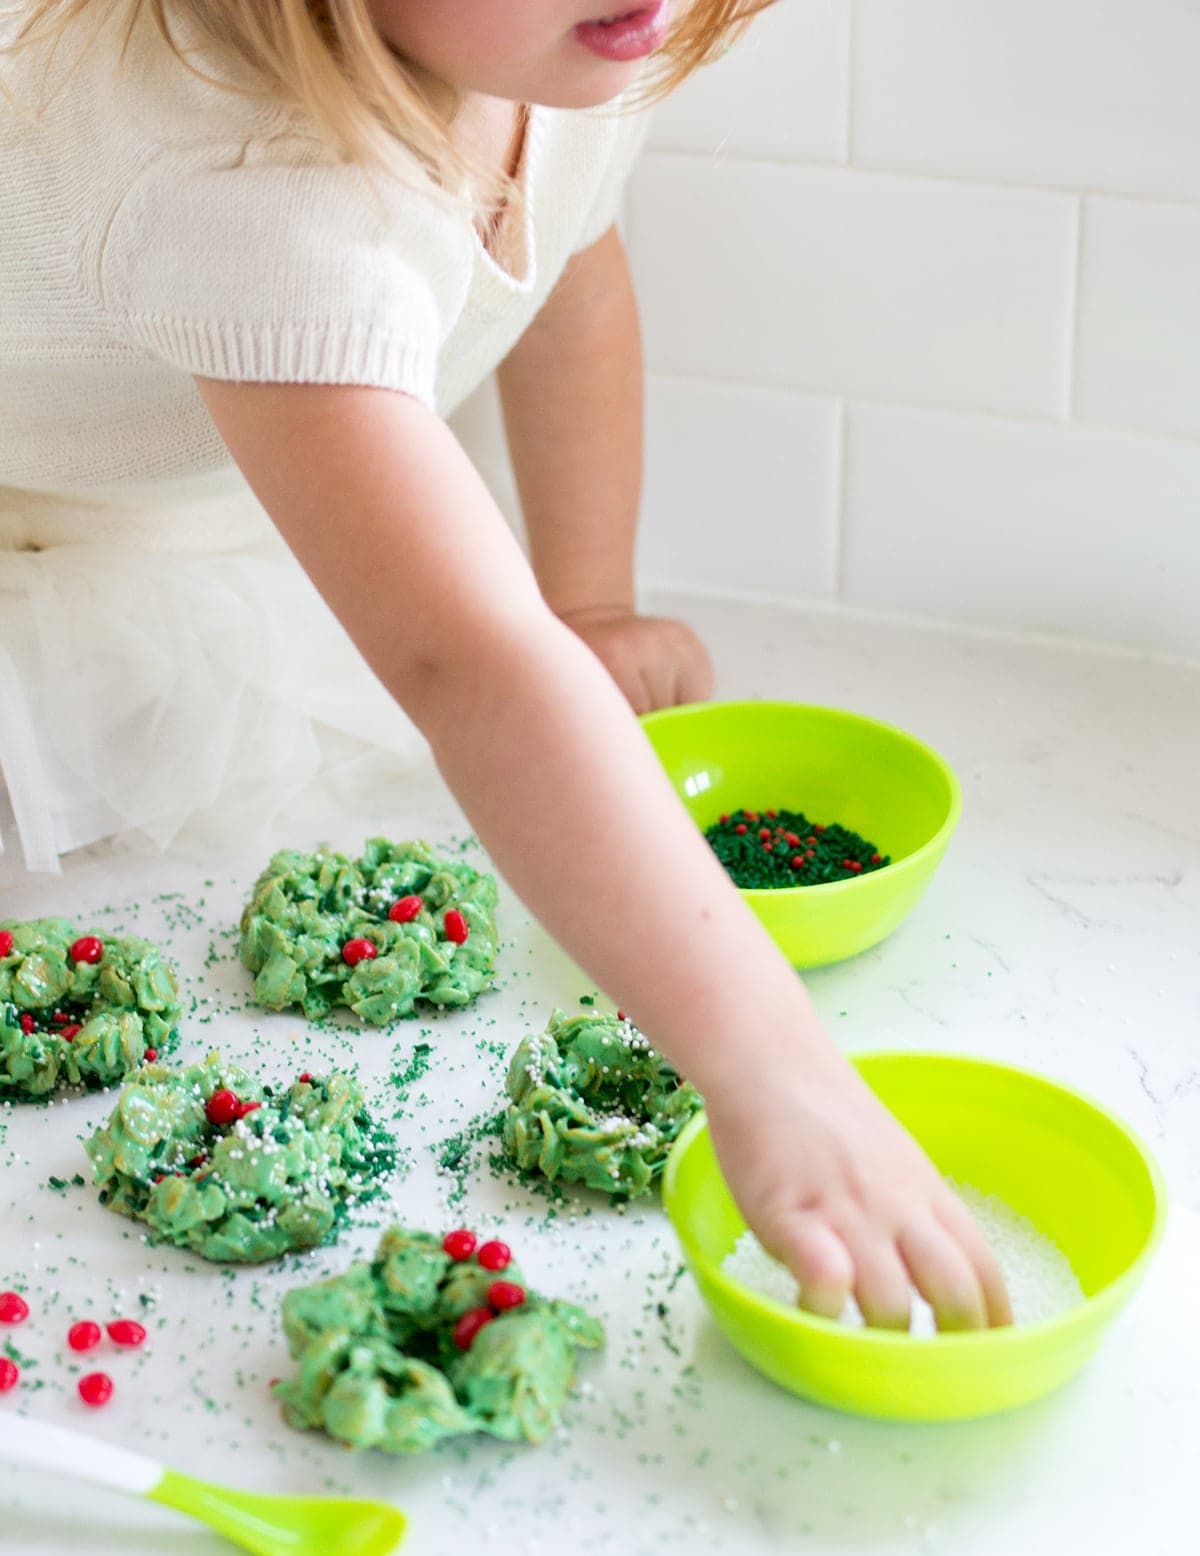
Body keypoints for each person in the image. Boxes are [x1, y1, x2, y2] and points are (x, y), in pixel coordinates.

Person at [0, 0, 1011, 1331]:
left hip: (198, 456)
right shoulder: (254, 185)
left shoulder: (569, 44)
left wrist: (589, 601)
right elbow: (464, 660)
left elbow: (562, 275)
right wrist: (772, 1069)